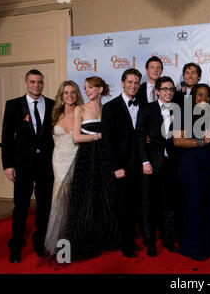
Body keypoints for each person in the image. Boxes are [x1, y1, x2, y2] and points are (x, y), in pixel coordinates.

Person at [61, 76, 119, 261]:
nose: (87, 91)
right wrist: (99, 136)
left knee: (107, 196)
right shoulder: (80, 109)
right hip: (87, 157)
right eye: (85, 88)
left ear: (101, 89)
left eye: (91, 87)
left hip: (106, 157)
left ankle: (107, 238)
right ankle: (85, 240)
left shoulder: (108, 109)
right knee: (86, 198)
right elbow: (76, 138)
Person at [2, 69, 55, 263]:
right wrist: (8, 165)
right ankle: (16, 245)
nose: (36, 85)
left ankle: (39, 242)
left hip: (45, 166)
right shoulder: (14, 105)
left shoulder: (51, 104)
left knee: (44, 207)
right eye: (32, 82)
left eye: (40, 82)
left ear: (43, 83)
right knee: (21, 207)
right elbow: (6, 138)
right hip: (22, 166)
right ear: (26, 83)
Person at [101, 69, 148, 258]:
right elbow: (108, 140)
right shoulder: (110, 107)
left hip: (139, 164)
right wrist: (116, 166)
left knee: (136, 205)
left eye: (136, 82)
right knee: (123, 206)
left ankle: (131, 240)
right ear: (122, 83)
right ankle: (125, 243)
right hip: (121, 165)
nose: (133, 86)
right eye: (130, 82)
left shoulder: (143, 105)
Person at [173, 83, 210, 261]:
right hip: (190, 166)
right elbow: (177, 141)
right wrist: (202, 140)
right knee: (194, 205)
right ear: (193, 97)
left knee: (209, 205)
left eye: (207, 95)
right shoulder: (182, 113)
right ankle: (193, 247)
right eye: (200, 95)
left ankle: (208, 245)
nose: (204, 99)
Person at [138, 76, 180, 257]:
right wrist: (145, 161)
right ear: (157, 91)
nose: (168, 92)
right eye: (165, 89)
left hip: (172, 163)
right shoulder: (147, 109)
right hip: (152, 164)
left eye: (171, 89)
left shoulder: (179, 110)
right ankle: (150, 242)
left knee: (169, 203)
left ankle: (168, 239)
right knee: (149, 205)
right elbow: (140, 136)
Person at [44, 80, 84, 256]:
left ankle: (75, 240)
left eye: (73, 92)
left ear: (77, 95)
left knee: (76, 199)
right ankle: (59, 243)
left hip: (78, 159)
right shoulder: (54, 113)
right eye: (66, 92)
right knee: (60, 199)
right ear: (61, 95)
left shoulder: (82, 113)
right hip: (59, 161)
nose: (70, 95)